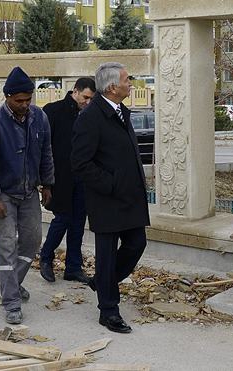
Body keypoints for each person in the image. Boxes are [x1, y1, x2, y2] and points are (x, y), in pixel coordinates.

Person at [71, 62, 149, 334]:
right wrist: (111, 183)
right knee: (105, 255)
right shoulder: (91, 117)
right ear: (112, 87)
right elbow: (80, 163)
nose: (131, 84)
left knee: (137, 243)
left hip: (129, 196)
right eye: (128, 80)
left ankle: (103, 282)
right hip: (107, 198)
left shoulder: (120, 111)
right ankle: (109, 311)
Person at [0, 66, 55, 325]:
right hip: (3, 195)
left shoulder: (39, 118)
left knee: (32, 240)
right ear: (7, 97)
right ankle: (11, 301)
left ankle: (8, 280)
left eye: (28, 100)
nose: (24, 105)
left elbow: (46, 154)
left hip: (29, 191)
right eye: (19, 100)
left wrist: (47, 184)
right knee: (6, 246)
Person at [39, 77, 97, 284]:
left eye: (91, 99)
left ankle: (73, 267)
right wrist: (45, 180)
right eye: (85, 97)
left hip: (82, 178)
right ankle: (45, 257)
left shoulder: (91, 115)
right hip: (60, 177)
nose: (88, 102)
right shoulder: (53, 111)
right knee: (62, 219)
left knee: (78, 223)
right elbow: (43, 146)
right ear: (75, 91)